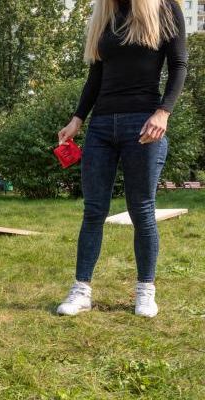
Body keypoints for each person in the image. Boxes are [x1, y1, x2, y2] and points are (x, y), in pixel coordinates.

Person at [56, 0, 186, 318]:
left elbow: (179, 64)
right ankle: (82, 290)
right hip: (101, 125)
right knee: (93, 211)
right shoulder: (106, 13)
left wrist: (163, 112)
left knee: (141, 210)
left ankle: (145, 291)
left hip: (143, 123)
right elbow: (95, 75)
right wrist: (77, 119)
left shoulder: (166, 8)